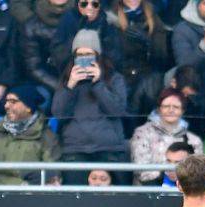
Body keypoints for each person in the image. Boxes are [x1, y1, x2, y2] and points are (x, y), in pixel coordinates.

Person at [51, 29, 128, 184]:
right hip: (75, 149)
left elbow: (117, 110)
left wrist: (98, 83)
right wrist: (70, 86)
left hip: (108, 149)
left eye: (89, 55)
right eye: (80, 55)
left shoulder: (114, 79)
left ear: (98, 56)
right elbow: (58, 114)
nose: (84, 59)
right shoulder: (67, 80)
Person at [0, 85, 60, 185]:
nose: (6, 106)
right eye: (6, 101)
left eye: (13, 102)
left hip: (27, 195)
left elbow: (53, 173)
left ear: (28, 107)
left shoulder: (45, 135)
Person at [107, 0, 169, 119]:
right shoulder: (110, 16)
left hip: (146, 72)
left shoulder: (153, 17)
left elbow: (162, 56)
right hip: (119, 72)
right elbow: (108, 54)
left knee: (150, 90)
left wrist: (147, 42)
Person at [130, 87, 203, 184]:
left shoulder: (194, 141)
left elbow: (197, 174)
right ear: (159, 109)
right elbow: (141, 171)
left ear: (183, 110)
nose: (171, 110)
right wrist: (167, 175)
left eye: (176, 107)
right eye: (166, 106)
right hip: (148, 193)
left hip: (183, 193)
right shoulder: (142, 134)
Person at [21, 0, 72, 101]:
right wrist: (60, 87)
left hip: (77, 78)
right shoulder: (31, 25)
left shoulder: (81, 18)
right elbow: (34, 67)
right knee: (42, 99)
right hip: (46, 81)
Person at [51, 0, 122, 72]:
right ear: (78, 4)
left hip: (101, 73)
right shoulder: (68, 19)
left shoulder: (107, 22)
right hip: (71, 71)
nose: (89, 8)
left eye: (95, 4)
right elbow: (57, 50)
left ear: (100, 6)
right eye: (84, 4)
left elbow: (115, 55)